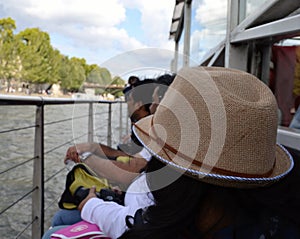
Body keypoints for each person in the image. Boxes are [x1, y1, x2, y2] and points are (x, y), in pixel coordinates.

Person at [43, 67, 299, 239]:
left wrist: (91, 205)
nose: (153, 107)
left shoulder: (177, 215)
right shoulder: (267, 220)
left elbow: (137, 221)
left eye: (159, 103)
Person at [50, 75, 174, 227]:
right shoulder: (169, 144)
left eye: (155, 103)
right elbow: (135, 162)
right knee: (62, 218)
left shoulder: (163, 141)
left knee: (60, 220)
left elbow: (129, 171)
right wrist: (94, 148)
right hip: (130, 209)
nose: (152, 108)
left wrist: (92, 206)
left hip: (132, 221)